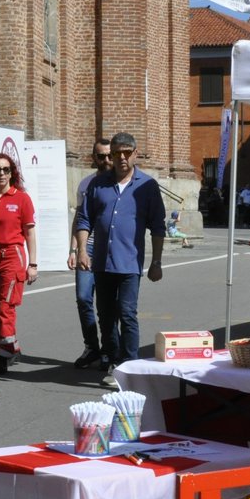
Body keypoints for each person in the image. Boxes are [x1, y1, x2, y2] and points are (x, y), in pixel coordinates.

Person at [73, 131, 165, 387]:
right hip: (101, 262)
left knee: (127, 313)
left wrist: (156, 262)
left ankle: (130, 364)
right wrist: (81, 250)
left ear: (135, 154)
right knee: (105, 315)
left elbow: (157, 227)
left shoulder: (147, 186)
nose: (122, 158)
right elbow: (84, 219)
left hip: (129, 263)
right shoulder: (97, 185)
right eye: (117, 153)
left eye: (127, 153)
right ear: (111, 155)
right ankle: (113, 360)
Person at [0, 151, 37, 375]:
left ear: (12, 173)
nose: (1, 173)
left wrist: (33, 264)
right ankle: (12, 345)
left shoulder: (21, 198)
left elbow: (29, 233)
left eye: (6, 169)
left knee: (5, 306)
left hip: (12, 255)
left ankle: (2, 356)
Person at [67, 138, 113, 371]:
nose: (106, 160)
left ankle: (108, 350)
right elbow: (79, 218)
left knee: (107, 304)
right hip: (88, 247)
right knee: (84, 298)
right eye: (101, 156)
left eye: (108, 156)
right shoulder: (85, 184)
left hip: (109, 249)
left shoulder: (118, 182)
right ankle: (91, 347)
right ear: (93, 158)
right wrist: (74, 249)